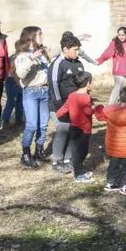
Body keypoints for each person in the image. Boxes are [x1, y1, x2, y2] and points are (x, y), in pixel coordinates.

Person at [48, 34, 87, 174]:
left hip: (76, 105)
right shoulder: (58, 64)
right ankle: (57, 160)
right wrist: (60, 105)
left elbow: (82, 82)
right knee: (63, 130)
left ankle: (68, 159)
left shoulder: (78, 63)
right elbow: (54, 84)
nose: (78, 52)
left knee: (74, 131)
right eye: (75, 49)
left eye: (78, 49)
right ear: (65, 49)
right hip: (61, 104)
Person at [13, 26, 51, 167]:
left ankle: (39, 151)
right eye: (40, 34)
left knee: (43, 124)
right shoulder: (22, 56)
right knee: (32, 124)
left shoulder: (42, 53)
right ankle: (26, 154)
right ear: (30, 38)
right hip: (31, 93)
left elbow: (57, 51)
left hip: (44, 91)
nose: (43, 36)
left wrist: (76, 38)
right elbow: (21, 74)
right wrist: (31, 58)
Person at [55, 72, 95, 183]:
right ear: (88, 84)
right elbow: (88, 111)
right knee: (81, 152)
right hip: (84, 130)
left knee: (78, 151)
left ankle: (80, 170)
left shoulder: (72, 95)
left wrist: (60, 115)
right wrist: (95, 109)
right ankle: (78, 175)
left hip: (73, 128)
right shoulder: (86, 97)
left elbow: (64, 109)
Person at [1, 48, 23, 129]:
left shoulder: (22, 57)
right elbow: (12, 71)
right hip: (12, 80)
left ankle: (18, 121)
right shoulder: (14, 57)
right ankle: (5, 120)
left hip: (19, 80)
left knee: (20, 101)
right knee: (11, 101)